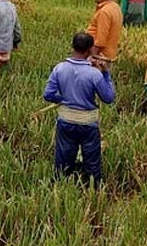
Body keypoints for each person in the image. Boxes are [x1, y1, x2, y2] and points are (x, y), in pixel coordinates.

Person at [43, 32, 115, 186]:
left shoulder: (59, 68)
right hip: (87, 123)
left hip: (66, 120)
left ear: (72, 47)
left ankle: (58, 187)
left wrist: (62, 99)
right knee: (92, 162)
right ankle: (93, 189)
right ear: (90, 50)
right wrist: (106, 73)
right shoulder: (94, 74)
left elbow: (48, 94)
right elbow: (108, 98)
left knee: (63, 160)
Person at [86, 0, 123, 64]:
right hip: (110, 52)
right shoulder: (115, 7)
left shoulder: (104, 12)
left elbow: (101, 39)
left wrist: (92, 56)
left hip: (101, 56)